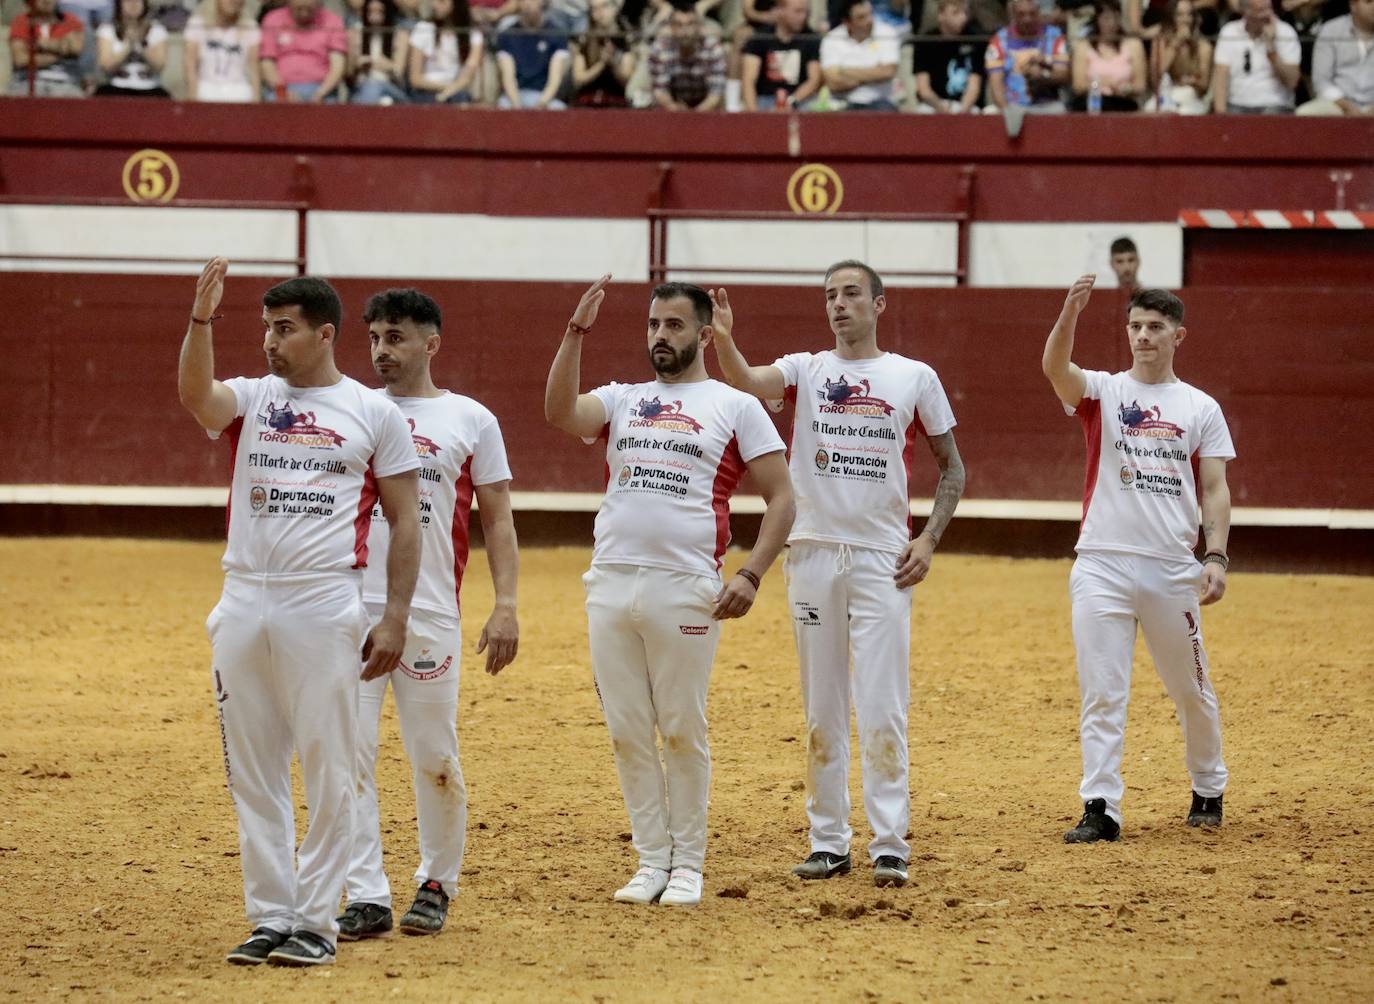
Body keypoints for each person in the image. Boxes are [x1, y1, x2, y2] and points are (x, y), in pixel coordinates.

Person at [177, 260, 421, 966]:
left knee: (328, 761)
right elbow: (196, 394)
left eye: (283, 330)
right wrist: (201, 319)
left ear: (324, 334)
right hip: (243, 594)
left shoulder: (374, 412)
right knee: (251, 766)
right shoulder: (254, 398)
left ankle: (317, 920)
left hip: (321, 597)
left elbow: (407, 522)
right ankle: (271, 913)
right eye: (264, 328)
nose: (268, 342)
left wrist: (395, 616)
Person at [709, 262, 965, 888]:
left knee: (883, 704)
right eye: (830, 296)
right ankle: (828, 841)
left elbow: (953, 469)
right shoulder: (805, 368)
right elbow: (744, 379)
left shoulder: (914, 377)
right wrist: (722, 339)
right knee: (822, 705)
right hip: (814, 552)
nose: (839, 305)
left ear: (880, 304)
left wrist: (928, 540)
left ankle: (890, 844)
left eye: (851, 294)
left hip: (885, 561)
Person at [544, 276, 795, 907]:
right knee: (627, 728)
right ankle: (651, 860)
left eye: (675, 326)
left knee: (682, 725)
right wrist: (576, 330)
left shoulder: (735, 406)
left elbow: (784, 498)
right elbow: (559, 413)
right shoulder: (623, 398)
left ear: (705, 334)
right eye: (654, 325)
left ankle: (689, 863)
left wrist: (750, 572)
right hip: (610, 581)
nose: (661, 336)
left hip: (686, 586)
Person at [338, 289, 520, 940]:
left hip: (432, 611)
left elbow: (496, 518)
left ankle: (438, 880)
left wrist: (506, 604)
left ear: (430, 344)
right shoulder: (350, 409)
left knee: (433, 753)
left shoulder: (471, 419)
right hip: (350, 608)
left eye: (397, 338)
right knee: (346, 754)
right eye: (376, 339)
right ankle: (365, 891)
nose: (383, 351)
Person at [1041, 276, 1234, 844]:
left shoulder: (1200, 407)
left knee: (1191, 689)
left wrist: (1216, 555)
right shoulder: (1103, 390)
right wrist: (1070, 313)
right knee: (1103, 690)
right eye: (1135, 327)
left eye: (1155, 327)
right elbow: (1055, 367)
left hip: (1172, 567)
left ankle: (1208, 783)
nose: (1143, 336)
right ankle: (1100, 805)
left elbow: (1215, 488)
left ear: (1178, 334)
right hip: (1100, 562)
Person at [1212, 0, 1301, 114]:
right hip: (1237, 105)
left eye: (1269, 9)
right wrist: (1220, 115)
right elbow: (1221, 76)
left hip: (1275, 105)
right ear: (1246, 12)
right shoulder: (1229, 32)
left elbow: (1292, 81)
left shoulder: (1286, 32)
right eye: (1260, 11)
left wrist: (1271, 50)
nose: (1267, 15)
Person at [985, 0, 1070, 113]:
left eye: (1032, 14)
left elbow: (1063, 75)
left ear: (1039, 13)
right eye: (1021, 14)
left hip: (1048, 104)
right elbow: (996, 86)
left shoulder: (1054, 36)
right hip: (1012, 104)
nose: (1027, 19)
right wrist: (1008, 112)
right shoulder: (999, 41)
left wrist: (1043, 75)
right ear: (1013, 14)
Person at [819, 0, 901, 110]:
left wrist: (844, 71)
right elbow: (833, 82)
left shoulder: (887, 33)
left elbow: (888, 71)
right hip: (843, 103)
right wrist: (875, 73)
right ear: (847, 22)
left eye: (870, 14)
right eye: (861, 17)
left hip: (879, 102)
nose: (869, 20)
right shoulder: (832, 39)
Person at [259, 0, 347, 102]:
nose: (304, 8)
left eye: (308, 5)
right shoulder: (273, 19)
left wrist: (320, 93)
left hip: (322, 89)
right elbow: (267, 63)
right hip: (280, 89)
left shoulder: (333, 21)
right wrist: (283, 92)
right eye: (299, 7)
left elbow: (337, 66)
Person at [741, 0, 822, 110]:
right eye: (798, 12)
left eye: (806, 12)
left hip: (799, 100)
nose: (803, 17)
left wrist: (790, 102)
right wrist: (754, 114)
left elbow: (814, 80)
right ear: (780, 10)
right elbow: (748, 81)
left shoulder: (811, 39)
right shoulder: (760, 38)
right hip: (765, 99)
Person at [1297, 0, 1374, 116]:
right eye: (1369, 1)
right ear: (1353, 5)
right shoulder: (1331, 30)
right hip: (1337, 104)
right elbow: (1321, 81)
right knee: (1304, 113)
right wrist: (1346, 106)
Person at [648, 0, 727, 111]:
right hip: (674, 106)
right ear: (671, 27)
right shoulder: (661, 48)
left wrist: (695, 115)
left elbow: (716, 93)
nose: (685, 30)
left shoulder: (712, 48)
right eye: (679, 25)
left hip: (706, 108)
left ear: (699, 26)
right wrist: (675, 109)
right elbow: (660, 91)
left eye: (690, 24)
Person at [1070, 0, 1145, 110]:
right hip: (1092, 102)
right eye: (1106, 19)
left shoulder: (1134, 44)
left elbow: (1140, 86)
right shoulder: (1083, 46)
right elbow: (1078, 86)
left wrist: (1125, 89)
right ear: (1097, 20)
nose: (1111, 24)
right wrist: (1101, 84)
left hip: (1122, 101)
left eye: (1116, 18)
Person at [495, 0, 571, 108]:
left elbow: (555, 79)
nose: (529, 4)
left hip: (544, 96)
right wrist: (516, 106)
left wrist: (541, 104)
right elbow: (508, 77)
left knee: (558, 109)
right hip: (516, 95)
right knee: (503, 106)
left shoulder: (557, 33)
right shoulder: (507, 35)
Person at [914, 0, 985, 113]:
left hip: (965, 106)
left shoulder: (974, 40)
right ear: (941, 15)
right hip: (934, 105)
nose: (963, 17)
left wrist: (961, 111)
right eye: (956, 13)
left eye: (965, 12)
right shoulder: (925, 42)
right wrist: (943, 111)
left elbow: (974, 87)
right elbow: (924, 90)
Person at [184, 0, 262, 102]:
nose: (234, 1)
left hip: (238, 91)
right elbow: (190, 63)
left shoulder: (250, 26)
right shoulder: (197, 23)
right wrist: (193, 97)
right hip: (206, 89)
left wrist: (256, 101)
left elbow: (254, 68)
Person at [7, 0, 86, 98]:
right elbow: (21, 60)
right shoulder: (21, 21)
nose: (47, 1)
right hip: (27, 83)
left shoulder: (70, 21)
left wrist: (40, 44)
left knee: (79, 105)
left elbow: (75, 48)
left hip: (66, 84)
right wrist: (60, 52)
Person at [409, 0, 483, 104]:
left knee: (461, 98)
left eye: (441, 1)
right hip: (426, 92)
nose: (435, 5)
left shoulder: (472, 34)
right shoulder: (423, 28)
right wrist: (445, 90)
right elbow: (415, 79)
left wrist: (448, 92)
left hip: (456, 92)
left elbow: (468, 73)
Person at [95, 0, 171, 97]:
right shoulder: (107, 30)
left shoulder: (157, 30)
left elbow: (159, 65)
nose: (133, 4)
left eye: (138, 1)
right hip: (116, 88)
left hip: (149, 89)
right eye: (128, 1)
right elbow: (106, 66)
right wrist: (128, 45)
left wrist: (140, 45)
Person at [1148, 0, 1211, 115]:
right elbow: (1156, 76)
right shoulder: (1160, 42)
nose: (1186, 20)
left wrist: (1191, 81)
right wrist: (1176, 43)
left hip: (1192, 99)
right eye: (1180, 15)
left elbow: (1204, 83)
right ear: (1171, 18)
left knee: (1184, 110)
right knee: (1151, 109)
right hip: (1165, 96)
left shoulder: (1203, 46)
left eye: (1189, 14)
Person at [571, 0, 637, 107]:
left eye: (603, 7)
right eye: (594, 9)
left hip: (615, 102)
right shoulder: (584, 41)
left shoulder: (624, 40)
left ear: (614, 9)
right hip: (587, 101)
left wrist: (612, 63)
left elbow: (626, 78)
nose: (599, 13)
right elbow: (579, 78)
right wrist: (601, 64)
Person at [349, 0, 410, 104]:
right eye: (370, 12)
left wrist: (387, 66)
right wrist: (358, 65)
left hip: (392, 87)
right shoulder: (356, 32)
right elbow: (348, 74)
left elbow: (400, 73)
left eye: (380, 12)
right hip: (362, 87)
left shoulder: (400, 34)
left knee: (374, 86)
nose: (374, 17)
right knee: (383, 100)